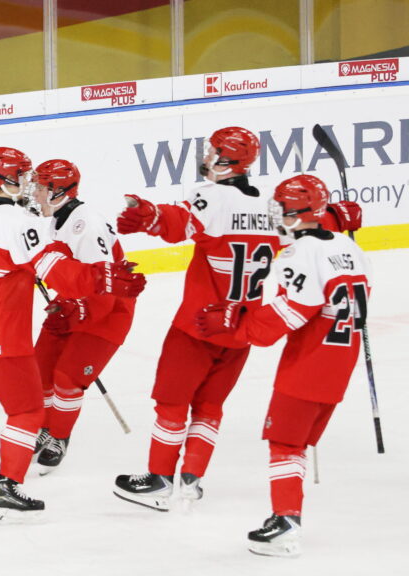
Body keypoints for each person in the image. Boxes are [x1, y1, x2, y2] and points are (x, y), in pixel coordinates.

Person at [112, 127, 363, 511]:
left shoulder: (212, 197)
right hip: (241, 328)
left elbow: (179, 222)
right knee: (209, 406)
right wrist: (333, 216)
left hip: (198, 324)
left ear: (228, 159)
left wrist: (152, 217)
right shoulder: (269, 204)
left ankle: (160, 479)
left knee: (171, 403)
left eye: (213, 151)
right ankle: (192, 479)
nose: (207, 157)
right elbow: (304, 228)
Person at [0, 147, 146, 521]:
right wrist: (102, 277)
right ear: (8, 180)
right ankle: (8, 489)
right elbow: (60, 274)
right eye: (25, 177)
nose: (30, 185)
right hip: (2, 339)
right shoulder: (19, 222)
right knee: (27, 412)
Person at [194, 174, 371, 557]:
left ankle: (286, 525)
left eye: (282, 208)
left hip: (308, 366)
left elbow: (292, 312)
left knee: (285, 443)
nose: (276, 214)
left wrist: (239, 324)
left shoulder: (298, 254)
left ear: (299, 212)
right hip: (340, 364)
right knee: (295, 442)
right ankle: (286, 519)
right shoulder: (347, 246)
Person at [30, 159, 136, 474]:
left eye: (40, 188)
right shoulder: (57, 218)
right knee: (39, 369)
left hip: (108, 311)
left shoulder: (86, 224)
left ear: (58, 191)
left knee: (67, 378)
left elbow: (104, 288)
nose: (35, 194)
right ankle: (46, 426)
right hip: (72, 303)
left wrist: (78, 312)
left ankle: (59, 436)